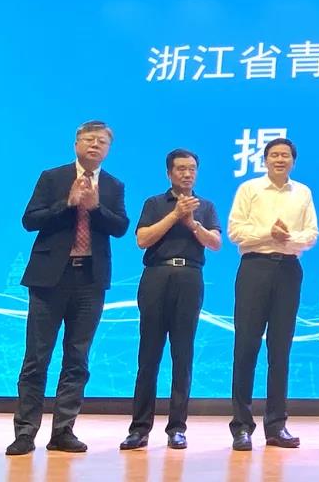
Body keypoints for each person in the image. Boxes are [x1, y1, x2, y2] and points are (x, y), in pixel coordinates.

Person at [6, 120, 129, 456]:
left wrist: (95, 208)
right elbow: (30, 220)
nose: (95, 145)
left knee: (77, 358)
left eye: (102, 141)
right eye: (89, 139)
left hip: (90, 281)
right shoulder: (53, 177)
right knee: (36, 358)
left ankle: (63, 431)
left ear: (108, 149)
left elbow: (120, 227)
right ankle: (25, 432)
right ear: (76, 143)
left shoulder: (114, 185)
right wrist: (68, 203)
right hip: (49, 279)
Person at [120, 149, 221, 451]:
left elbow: (215, 243)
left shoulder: (206, 206)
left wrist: (192, 223)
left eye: (192, 169)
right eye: (180, 169)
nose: (187, 174)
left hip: (190, 277)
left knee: (183, 355)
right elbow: (142, 239)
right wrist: (175, 215)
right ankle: (139, 429)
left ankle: (177, 428)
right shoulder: (154, 203)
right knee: (148, 356)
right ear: (169, 173)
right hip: (156, 276)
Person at [227, 137, 318, 451]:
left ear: (293, 161)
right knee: (246, 346)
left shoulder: (303, 192)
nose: (280, 159)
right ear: (265, 160)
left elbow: (311, 234)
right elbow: (235, 231)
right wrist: (269, 233)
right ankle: (241, 426)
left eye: (285, 155)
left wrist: (287, 238)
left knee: (280, 350)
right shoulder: (249, 189)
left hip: (289, 270)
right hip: (255, 267)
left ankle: (276, 425)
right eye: (274, 155)